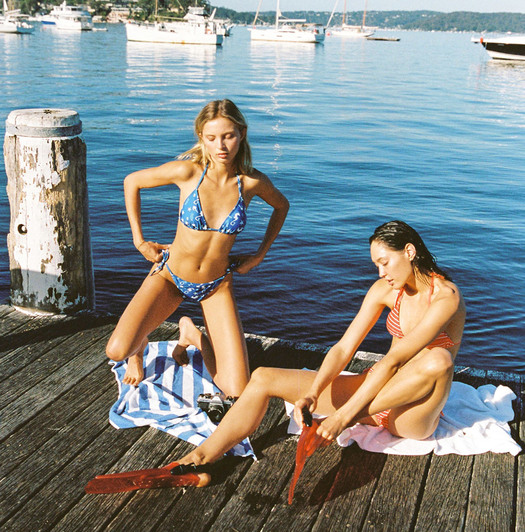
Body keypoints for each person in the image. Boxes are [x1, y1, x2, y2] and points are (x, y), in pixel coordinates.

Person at [172, 220, 465, 477]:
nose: (380, 272)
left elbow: (394, 360)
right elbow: (343, 349)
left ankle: (352, 414)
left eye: (384, 262)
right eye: (376, 265)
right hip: (373, 392)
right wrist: (313, 393)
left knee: (438, 359)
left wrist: (342, 417)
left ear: (409, 252)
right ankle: (204, 454)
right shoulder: (386, 291)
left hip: (413, 411)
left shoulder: (445, 297)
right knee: (262, 377)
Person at [105, 99, 289, 400]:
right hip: (171, 276)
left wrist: (259, 255)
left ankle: (192, 335)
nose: (221, 146)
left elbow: (282, 206)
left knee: (236, 389)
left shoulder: (252, 182)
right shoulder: (188, 172)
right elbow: (132, 182)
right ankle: (139, 349)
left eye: (228, 136)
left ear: (241, 133)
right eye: (212, 137)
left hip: (216, 284)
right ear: (201, 137)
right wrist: (139, 240)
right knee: (117, 350)